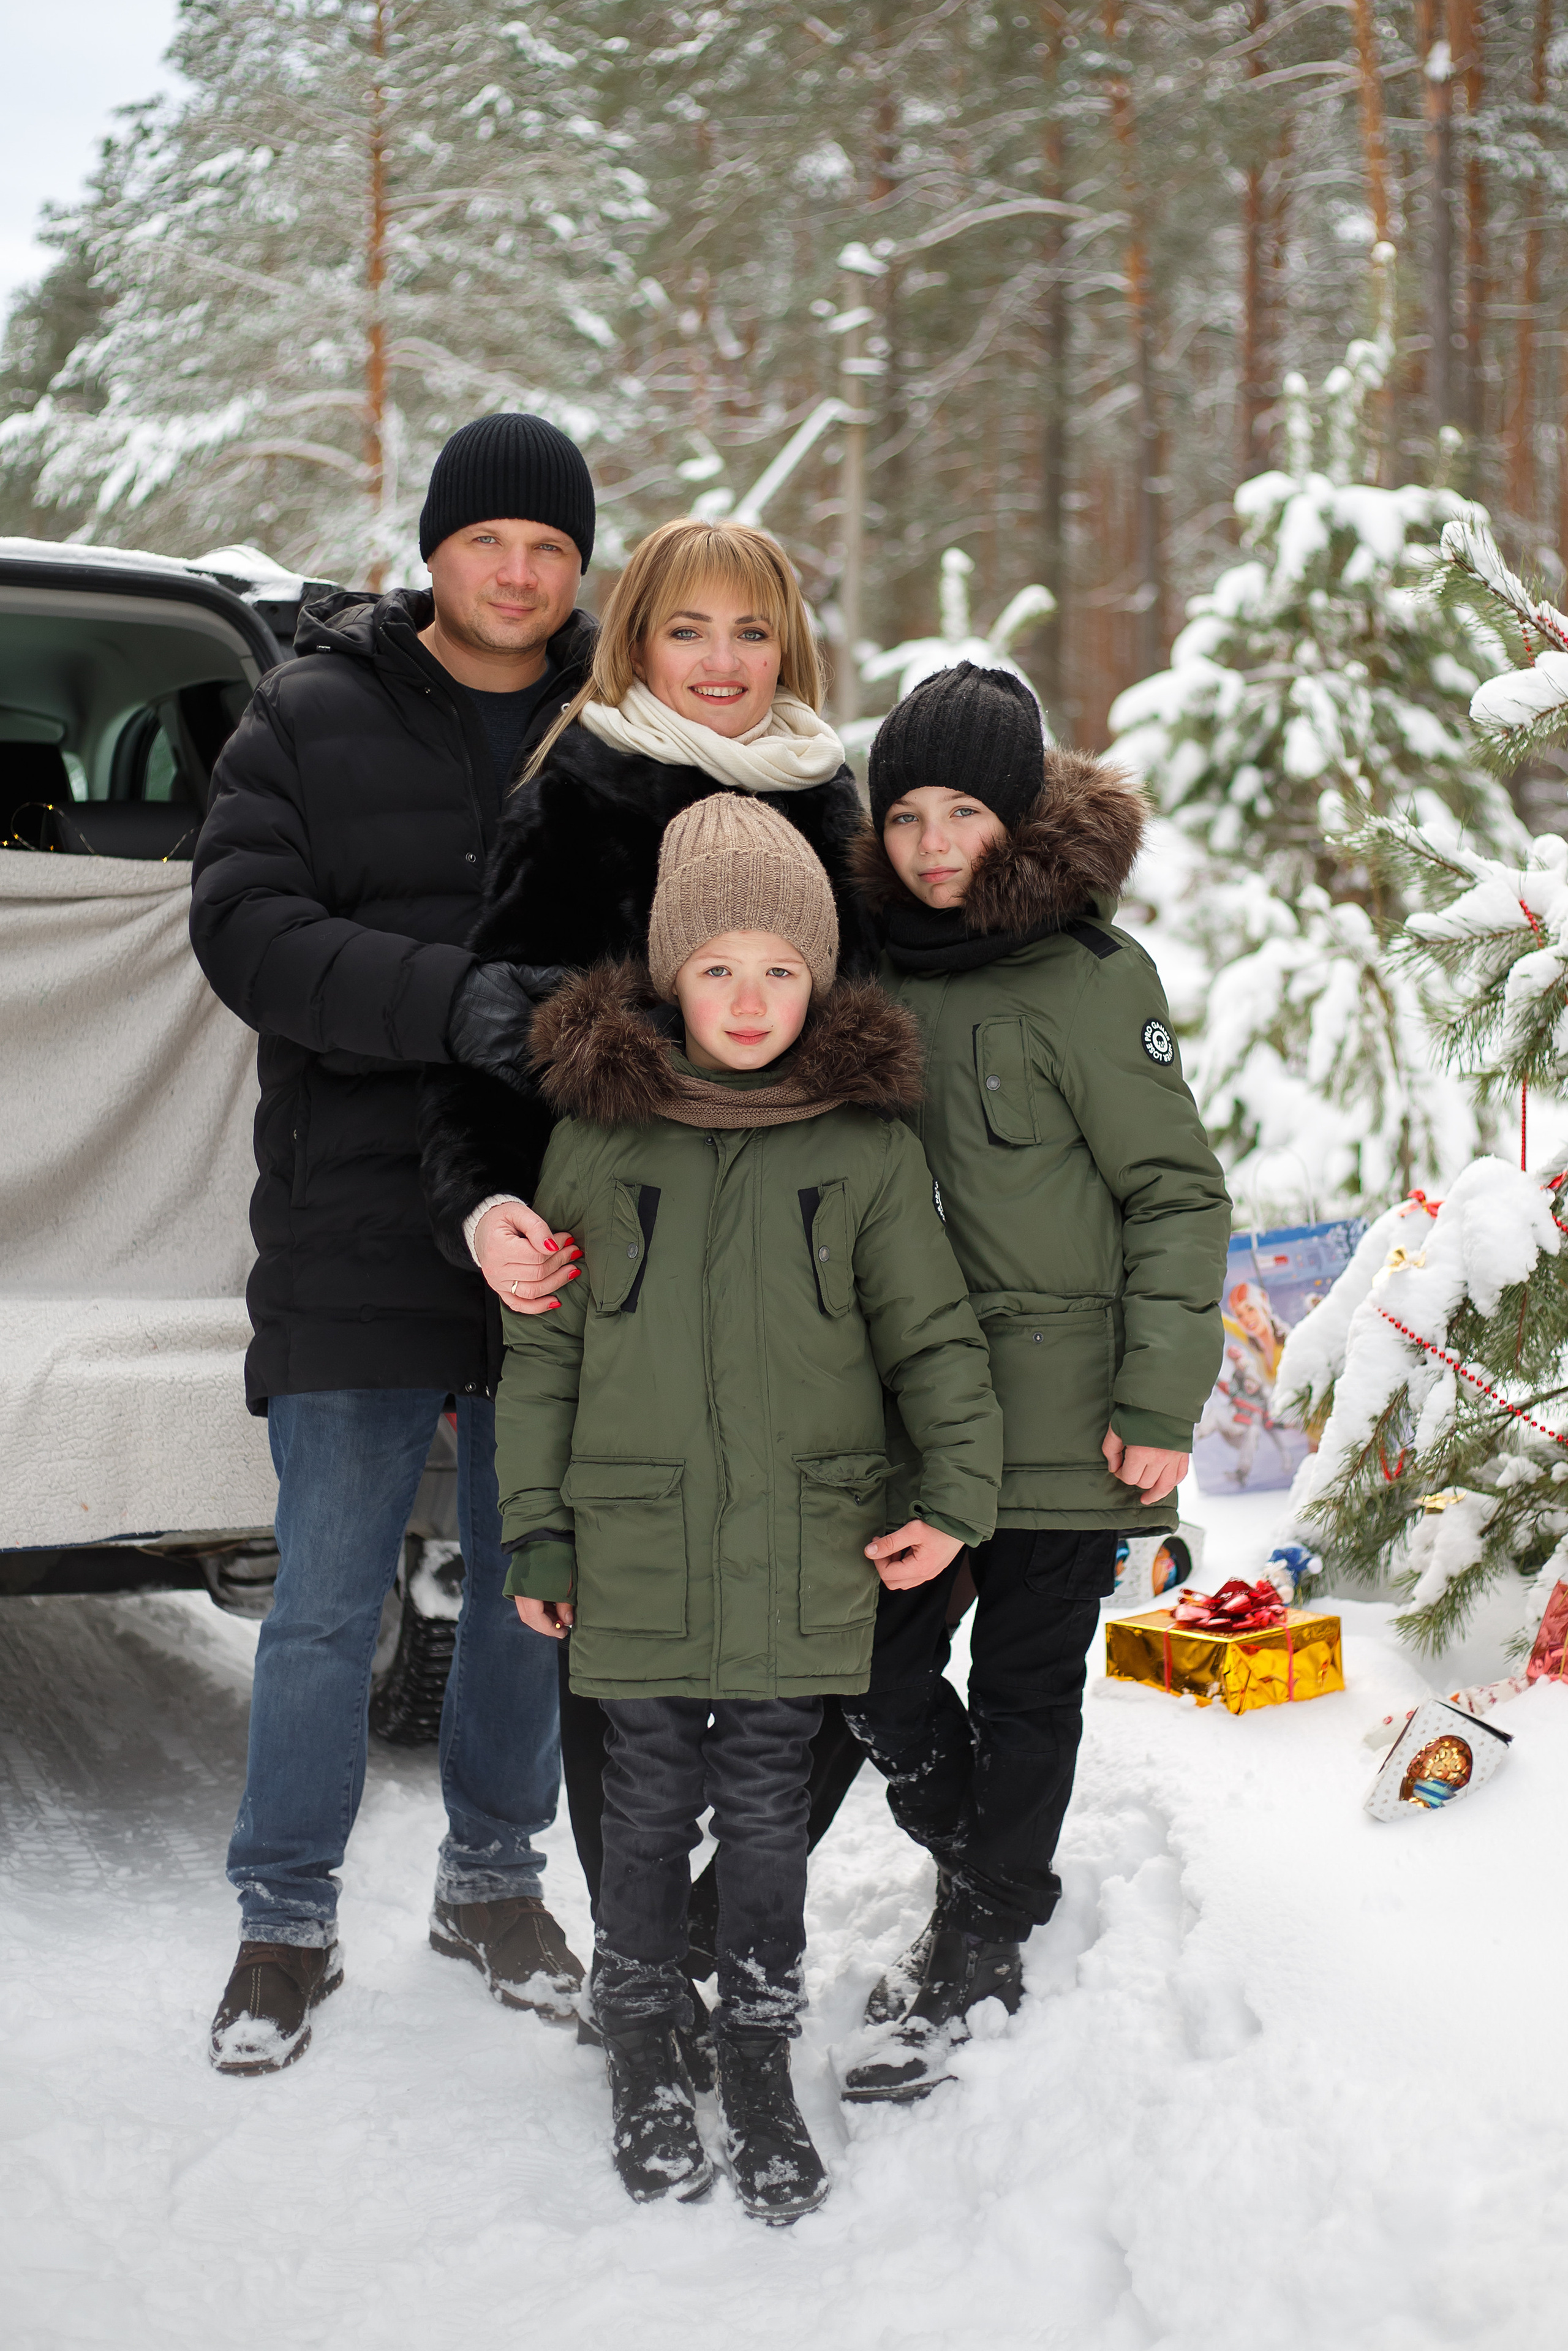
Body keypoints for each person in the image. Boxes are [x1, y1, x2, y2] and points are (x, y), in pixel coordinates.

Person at [491, 794, 1002, 2218]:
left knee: (767, 1819)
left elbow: (933, 1343)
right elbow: (543, 1350)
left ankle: (758, 2046)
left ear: (819, 979)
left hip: (802, 1544)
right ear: (669, 973)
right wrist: (537, 1520)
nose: (749, 998)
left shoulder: (864, 1145)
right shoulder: (596, 1138)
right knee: (646, 1811)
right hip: (636, 1538)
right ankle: (645, 2040)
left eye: (780, 968)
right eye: (718, 966)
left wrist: (955, 1496)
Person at [189, 412, 601, 2074]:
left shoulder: (609, 722)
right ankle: (284, 1922)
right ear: (434, 547)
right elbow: (245, 930)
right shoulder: (309, 710)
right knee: (324, 1599)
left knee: (528, 1585)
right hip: (357, 1215)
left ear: (579, 567)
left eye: (552, 547)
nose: (518, 568)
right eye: (490, 537)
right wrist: (462, 1002)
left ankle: (492, 1883)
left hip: (557, 1210)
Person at [418, 517, 870, 1971]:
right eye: (688, 630)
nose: (722, 662)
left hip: (798, 1302)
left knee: (820, 1655)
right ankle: (637, 1963)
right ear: (637, 643)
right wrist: (485, 1207)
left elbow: (877, 1047)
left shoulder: (828, 797)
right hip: (612, 1288)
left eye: (750, 631)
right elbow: (490, 1046)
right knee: (623, 1658)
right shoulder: (583, 789)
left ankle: (706, 1931)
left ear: (787, 643)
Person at [838, 662, 1231, 2102]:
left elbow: (1175, 1194)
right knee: (875, 1664)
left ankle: (979, 1934)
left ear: (1019, 818)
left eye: (966, 814)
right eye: (907, 816)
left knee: (1023, 1682)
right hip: (911, 1417)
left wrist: (1157, 1397)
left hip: (1070, 1413)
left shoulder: (1087, 979)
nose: (934, 845)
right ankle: (983, 1850)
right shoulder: (863, 970)